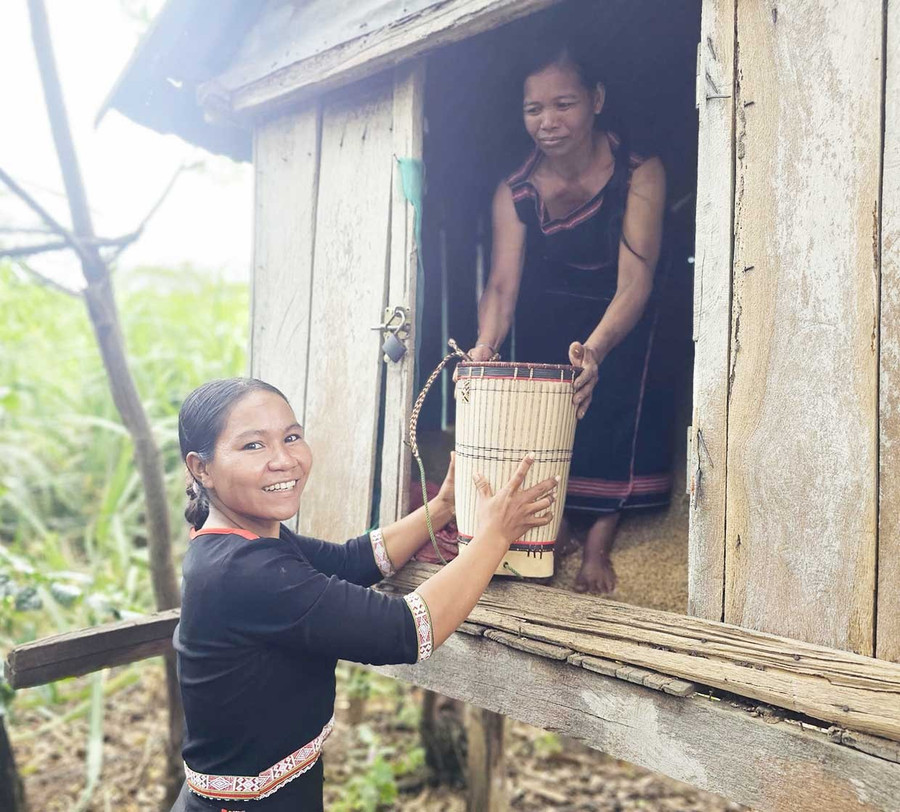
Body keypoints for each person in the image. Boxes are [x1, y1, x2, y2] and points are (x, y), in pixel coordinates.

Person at [170, 377, 558, 811]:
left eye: (292, 437)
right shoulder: (242, 570)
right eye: (253, 446)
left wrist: (444, 506)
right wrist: (495, 536)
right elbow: (405, 630)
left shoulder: (245, 542)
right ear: (201, 468)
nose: (284, 460)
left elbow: (350, 561)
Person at [469, 43, 671, 594]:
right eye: (534, 109)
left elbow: (637, 280)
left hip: (620, 313)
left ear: (596, 100)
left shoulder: (637, 172)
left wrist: (597, 350)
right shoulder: (517, 189)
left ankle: (600, 542)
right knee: (545, 420)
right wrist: (487, 343)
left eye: (564, 105)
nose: (548, 122)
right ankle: (549, 528)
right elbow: (503, 282)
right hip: (548, 307)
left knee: (614, 412)